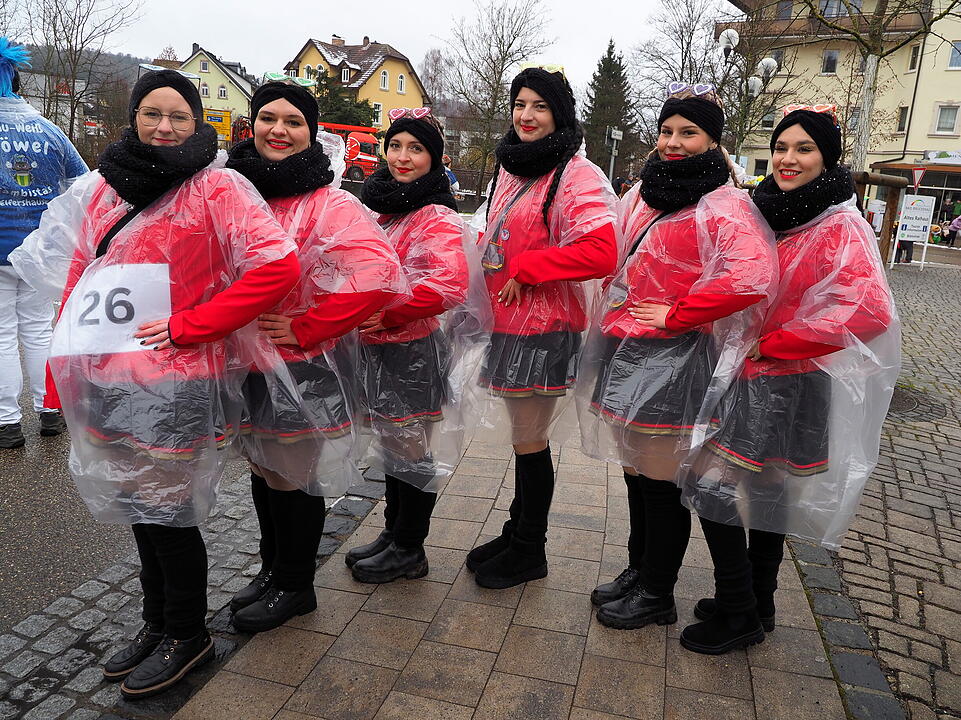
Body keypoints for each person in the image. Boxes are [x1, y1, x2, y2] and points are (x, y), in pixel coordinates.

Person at [10, 69, 300, 698]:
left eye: (178, 116)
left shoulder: (218, 187)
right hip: (111, 375)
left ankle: (187, 633)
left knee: (169, 513)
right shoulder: (103, 189)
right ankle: (155, 621)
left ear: (200, 123)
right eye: (151, 113)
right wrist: (63, 372)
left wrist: (196, 325)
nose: (164, 126)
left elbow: (276, 265)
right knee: (137, 507)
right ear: (133, 116)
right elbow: (83, 280)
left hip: (177, 380)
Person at [678, 106, 899, 654]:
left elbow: (868, 311)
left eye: (804, 148)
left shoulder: (839, 224)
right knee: (765, 485)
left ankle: (738, 610)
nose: (787, 158)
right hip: (750, 373)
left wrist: (777, 343)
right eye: (781, 146)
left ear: (827, 158)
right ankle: (760, 597)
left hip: (786, 377)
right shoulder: (766, 211)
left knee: (709, 481)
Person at [578, 83, 776, 632]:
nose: (674, 142)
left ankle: (657, 592)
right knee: (636, 470)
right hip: (626, 347)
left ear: (714, 141)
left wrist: (679, 312)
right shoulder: (644, 192)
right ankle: (639, 567)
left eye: (689, 133)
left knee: (663, 478)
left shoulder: (723, 203)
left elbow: (752, 277)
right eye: (667, 131)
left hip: (677, 355)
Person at [224, 82, 408, 630]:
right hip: (244, 360)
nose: (278, 130)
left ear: (311, 132)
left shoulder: (331, 203)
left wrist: (309, 326)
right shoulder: (233, 192)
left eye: (293, 121)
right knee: (261, 469)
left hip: (300, 364)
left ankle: (295, 585)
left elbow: (380, 275)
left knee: (292, 477)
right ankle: (272, 569)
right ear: (250, 125)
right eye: (267, 118)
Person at [467, 66, 618, 590]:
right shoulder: (512, 168)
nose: (526, 116)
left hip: (545, 327)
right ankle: (517, 530)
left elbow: (602, 250)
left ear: (559, 114)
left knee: (530, 440)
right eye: (520, 104)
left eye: (539, 106)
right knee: (522, 438)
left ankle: (531, 549)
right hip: (508, 325)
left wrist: (530, 270)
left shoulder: (574, 174)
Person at [349, 108, 487, 583]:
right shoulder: (385, 208)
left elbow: (448, 283)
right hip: (377, 346)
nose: (402, 157)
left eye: (416, 148)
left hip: (412, 349)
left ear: (434, 157)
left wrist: (389, 311)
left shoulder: (436, 215)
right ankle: (392, 533)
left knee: (411, 449)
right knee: (392, 446)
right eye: (396, 146)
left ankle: (411, 547)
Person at [0, 38, 87, 448]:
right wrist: (56, 229)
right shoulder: (49, 130)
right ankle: (50, 411)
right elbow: (82, 185)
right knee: (38, 330)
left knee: (1, 335)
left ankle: (7, 423)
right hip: (35, 251)